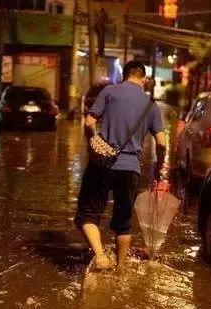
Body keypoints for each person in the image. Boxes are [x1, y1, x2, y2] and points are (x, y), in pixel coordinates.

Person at [74, 60, 167, 270]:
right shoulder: (151, 105)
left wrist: (94, 143)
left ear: (124, 75)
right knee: (124, 221)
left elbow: (89, 122)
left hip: (102, 164)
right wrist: (158, 168)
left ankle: (100, 255)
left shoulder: (109, 91)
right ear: (143, 79)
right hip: (130, 169)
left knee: (87, 213)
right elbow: (162, 143)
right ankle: (120, 268)